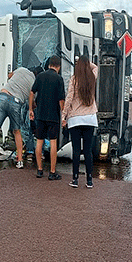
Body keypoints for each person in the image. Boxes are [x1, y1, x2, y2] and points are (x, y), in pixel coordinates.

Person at [0, 67, 35, 171]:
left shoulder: (21, 69)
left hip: (3, 97)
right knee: (17, 131)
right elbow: (32, 100)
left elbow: (9, 76)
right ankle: (20, 161)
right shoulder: (34, 82)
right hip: (16, 102)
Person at [61, 55, 98, 188]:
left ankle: (75, 179)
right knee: (88, 151)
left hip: (75, 119)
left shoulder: (74, 80)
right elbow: (96, 67)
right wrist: (86, 63)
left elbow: (69, 97)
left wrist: (63, 116)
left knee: (76, 150)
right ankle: (89, 181)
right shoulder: (92, 77)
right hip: (90, 118)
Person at [29, 55, 66, 180]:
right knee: (53, 142)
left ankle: (39, 170)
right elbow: (61, 100)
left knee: (39, 141)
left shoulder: (40, 76)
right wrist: (64, 115)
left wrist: (31, 108)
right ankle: (52, 172)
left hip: (40, 115)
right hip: (53, 116)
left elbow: (32, 91)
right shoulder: (59, 79)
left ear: (49, 64)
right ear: (58, 66)